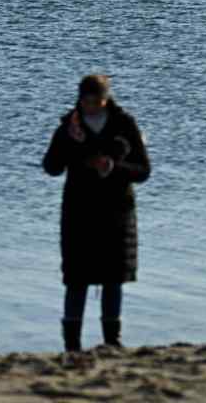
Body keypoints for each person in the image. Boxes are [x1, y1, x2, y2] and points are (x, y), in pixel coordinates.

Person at [43, 75, 151, 352]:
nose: (90, 106)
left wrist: (113, 167)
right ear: (79, 99)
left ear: (105, 100)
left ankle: (112, 341)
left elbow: (143, 171)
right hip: (79, 211)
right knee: (76, 278)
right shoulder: (70, 125)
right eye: (85, 101)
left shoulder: (124, 124)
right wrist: (68, 143)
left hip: (117, 211)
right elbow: (51, 167)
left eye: (96, 101)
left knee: (113, 278)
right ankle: (72, 344)